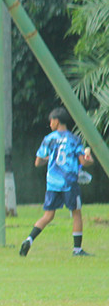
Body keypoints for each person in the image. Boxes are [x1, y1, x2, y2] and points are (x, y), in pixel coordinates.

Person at [19, 107, 94, 257]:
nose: (50, 123)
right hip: (69, 183)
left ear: (57, 121)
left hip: (52, 183)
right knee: (76, 213)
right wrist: (89, 157)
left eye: (51, 121)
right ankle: (77, 250)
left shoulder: (49, 139)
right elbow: (84, 162)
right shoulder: (74, 139)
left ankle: (29, 239)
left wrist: (49, 160)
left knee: (48, 215)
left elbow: (38, 161)